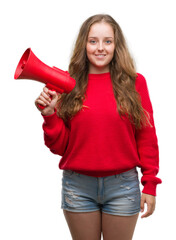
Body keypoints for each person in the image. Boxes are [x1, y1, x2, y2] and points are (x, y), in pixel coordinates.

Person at [35, 14, 162, 240]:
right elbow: (61, 147)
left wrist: (150, 184)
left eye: (107, 41)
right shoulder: (68, 84)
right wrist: (50, 115)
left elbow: (147, 138)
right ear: (84, 44)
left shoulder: (135, 83)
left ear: (116, 45)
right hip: (78, 186)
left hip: (123, 187)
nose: (100, 48)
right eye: (93, 41)